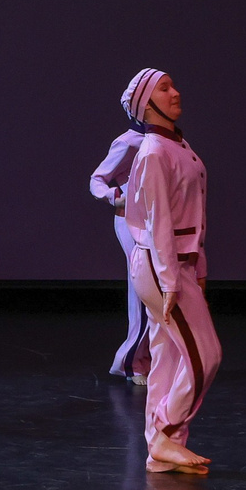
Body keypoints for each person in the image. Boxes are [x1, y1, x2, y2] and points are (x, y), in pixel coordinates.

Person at [123, 69, 217, 475]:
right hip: (162, 265)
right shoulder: (153, 152)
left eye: (173, 84)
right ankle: (166, 433)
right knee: (206, 357)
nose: (175, 92)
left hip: (177, 262)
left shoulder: (176, 144)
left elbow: (192, 213)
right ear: (146, 104)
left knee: (167, 356)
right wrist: (170, 280)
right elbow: (158, 220)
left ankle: (160, 450)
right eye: (164, 88)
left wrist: (199, 265)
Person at [89, 77, 152, 385]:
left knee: (162, 290)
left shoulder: (166, 141)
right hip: (131, 222)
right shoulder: (128, 142)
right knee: (141, 289)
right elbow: (97, 179)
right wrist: (117, 196)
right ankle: (131, 363)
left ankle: (155, 360)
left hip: (157, 222)